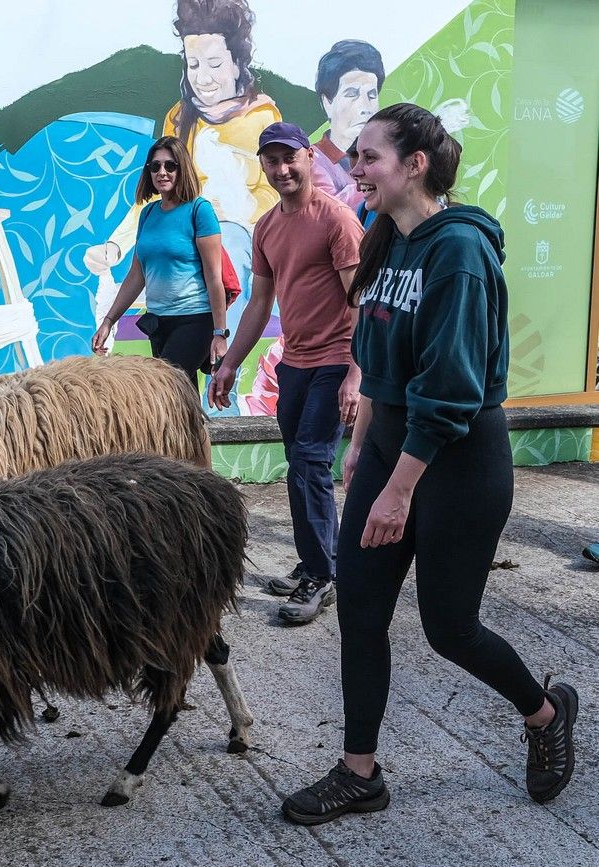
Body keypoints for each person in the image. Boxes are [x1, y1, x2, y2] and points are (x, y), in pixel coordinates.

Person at [281, 103, 578, 825]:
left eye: (368, 158)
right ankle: (361, 773)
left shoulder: (461, 252)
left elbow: (450, 390)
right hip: (391, 451)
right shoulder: (390, 241)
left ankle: (544, 713)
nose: (354, 171)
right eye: (353, 159)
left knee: (450, 628)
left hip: (456, 463)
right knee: (360, 609)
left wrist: (398, 492)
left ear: (415, 164)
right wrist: (362, 447)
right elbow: (381, 359)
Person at [207, 122, 364, 625]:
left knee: (311, 462)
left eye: (289, 159)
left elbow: (362, 302)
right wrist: (230, 362)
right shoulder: (268, 227)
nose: (281, 170)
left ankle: (323, 575)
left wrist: (356, 375)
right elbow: (258, 303)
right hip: (293, 363)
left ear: (310, 158)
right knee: (299, 465)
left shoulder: (337, 220)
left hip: (336, 359)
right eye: (271, 161)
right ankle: (316, 562)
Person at [87, 0, 281, 311]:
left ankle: (224, 355)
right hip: (185, 235)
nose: (203, 78)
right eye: (194, 65)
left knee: (222, 241)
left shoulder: (262, 117)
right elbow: (157, 194)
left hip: (239, 237)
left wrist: (234, 206)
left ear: (236, 64)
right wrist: (115, 245)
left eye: (214, 64)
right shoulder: (179, 119)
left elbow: (278, 195)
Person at [92, 136, 228, 388]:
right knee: (181, 401)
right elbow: (136, 275)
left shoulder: (199, 210)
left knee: (163, 388)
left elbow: (214, 277)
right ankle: (196, 429)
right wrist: (109, 321)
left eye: (170, 165)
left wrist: (220, 333)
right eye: (155, 166)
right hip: (158, 322)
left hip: (194, 320)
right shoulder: (148, 214)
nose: (162, 172)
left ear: (182, 168)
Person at [311, 40, 385, 207]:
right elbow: (330, 212)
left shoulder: (386, 153)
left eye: (372, 95)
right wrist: (386, 177)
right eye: (352, 94)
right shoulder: (311, 160)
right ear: (327, 103)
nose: (365, 107)